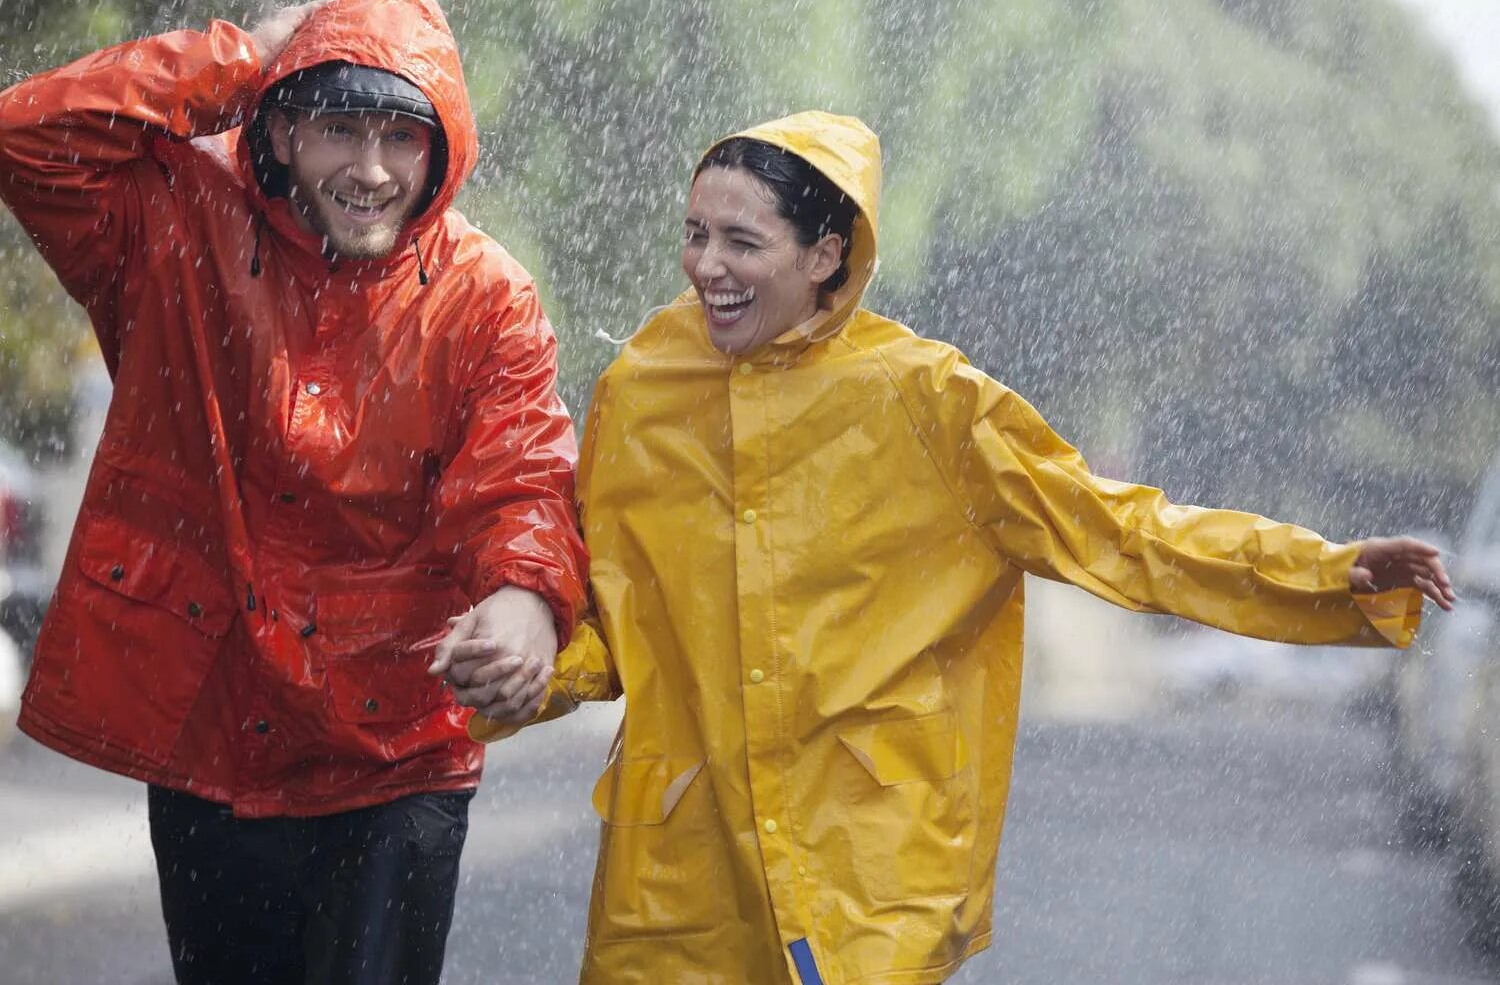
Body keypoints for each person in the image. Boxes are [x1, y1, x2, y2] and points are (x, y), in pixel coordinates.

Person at [435, 110, 1454, 984]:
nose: (708, 267)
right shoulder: (642, 391)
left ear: (827, 252)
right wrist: (535, 672)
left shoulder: (929, 401)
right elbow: (619, 625)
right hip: (673, 882)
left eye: (743, 242)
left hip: (860, 878)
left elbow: (1119, 532)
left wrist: (1324, 571)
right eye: (696, 234)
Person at [0, 0, 585, 983]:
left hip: (400, 745)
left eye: (401, 135)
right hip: (212, 734)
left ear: (443, 146)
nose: (368, 168)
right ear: (279, 124)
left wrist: (527, 600)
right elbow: (26, 137)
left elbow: (521, 478)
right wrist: (236, 58)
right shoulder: (177, 222)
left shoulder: (487, 298)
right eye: (337, 127)